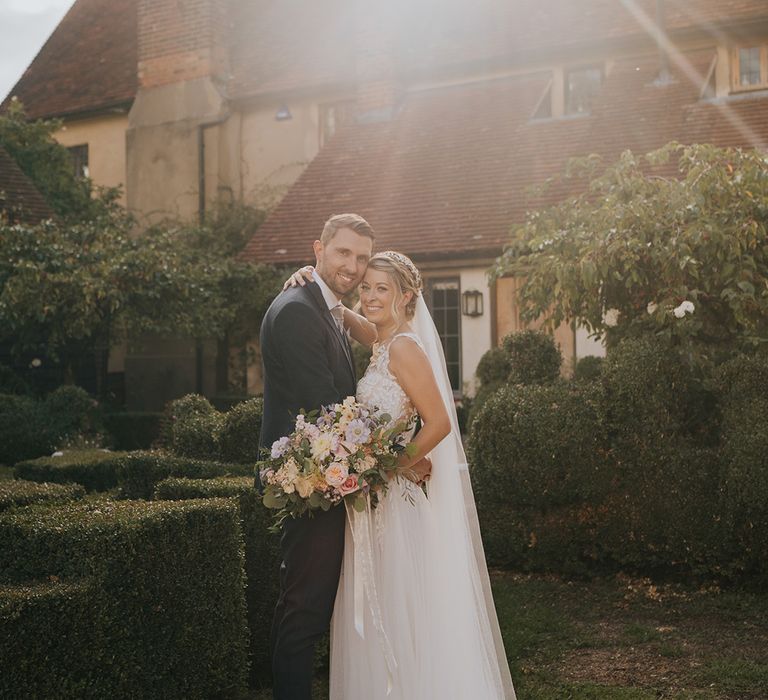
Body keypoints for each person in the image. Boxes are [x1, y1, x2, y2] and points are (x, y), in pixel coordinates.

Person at [284, 251, 516, 699]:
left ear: (407, 296)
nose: (369, 295)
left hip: (393, 503)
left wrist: (391, 463)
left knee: (395, 609)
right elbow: (351, 315)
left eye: (381, 289)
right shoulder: (382, 339)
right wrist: (313, 281)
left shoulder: (405, 347)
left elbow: (440, 422)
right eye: (366, 286)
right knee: (376, 611)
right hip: (375, 498)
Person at [258, 213, 376, 700]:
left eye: (362, 257)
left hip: (331, 481)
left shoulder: (325, 307)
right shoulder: (298, 311)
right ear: (319, 249)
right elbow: (326, 411)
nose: (353, 265)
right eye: (343, 252)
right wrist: (391, 452)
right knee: (304, 610)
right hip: (308, 485)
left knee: (306, 608)